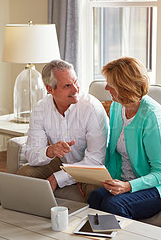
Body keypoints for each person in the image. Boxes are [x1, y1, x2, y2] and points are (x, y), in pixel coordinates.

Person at [87, 57, 161, 220]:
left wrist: (127, 186)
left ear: (124, 86)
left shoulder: (152, 116)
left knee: (114, 205)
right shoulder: (117, 106)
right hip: (129, 180)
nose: (106, 88)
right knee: (95, 197)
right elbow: (114, 154)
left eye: (110, 84)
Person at [16, 59, 109, 201]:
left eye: (76, 82)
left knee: (95, 190)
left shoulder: (91, 108)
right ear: (50, 89)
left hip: (91, 166)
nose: (75, 89)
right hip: (62, 161)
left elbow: (95, 160)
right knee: (25, 174)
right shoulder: (41, 108)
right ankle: (33, 220)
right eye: (67, 86)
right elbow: (31, 154)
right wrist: (50, 151)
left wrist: (57, 178)